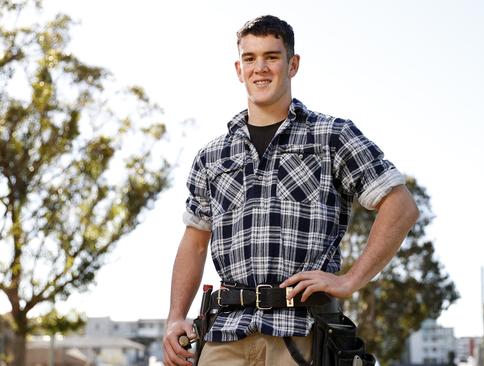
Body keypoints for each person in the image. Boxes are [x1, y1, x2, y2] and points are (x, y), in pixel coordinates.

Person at [163, 15, 419, 366]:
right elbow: (194, 240)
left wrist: (350, 280)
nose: (260, 68)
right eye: (250, 58)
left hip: (300, 332)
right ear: (239, 69)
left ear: (292, 64)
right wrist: (175, 315)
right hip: (225, 332)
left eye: (272, 56)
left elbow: (401, 206)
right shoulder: (212, 155)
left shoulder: (332, 136)